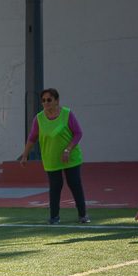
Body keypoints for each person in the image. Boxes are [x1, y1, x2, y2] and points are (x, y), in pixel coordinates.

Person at [16, 88, 91, 224]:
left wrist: (68, 150)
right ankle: (54, 217)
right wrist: (25, 155)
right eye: (43, 100)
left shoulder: (67, 114)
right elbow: (32, 138)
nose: (46, 103)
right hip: (51, 158)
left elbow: (78, 133)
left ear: (56, 101)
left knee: (74, 184)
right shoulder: (39, 118)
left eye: (49, 100)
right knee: (55, 186)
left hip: (70, 157)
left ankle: (83, 215)